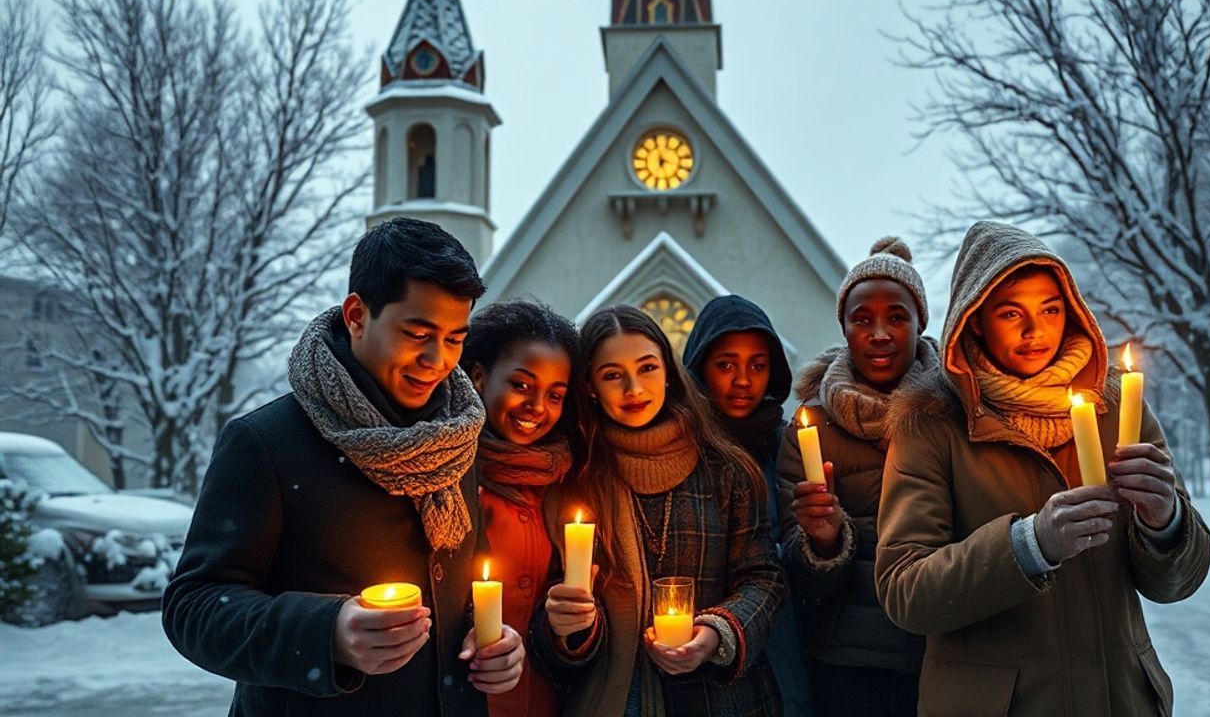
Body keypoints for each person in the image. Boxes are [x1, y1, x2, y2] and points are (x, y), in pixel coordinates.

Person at [163, 218, 525, 716]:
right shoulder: (266, 442)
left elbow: (466, 582)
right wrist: (327, 633)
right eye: (417, 333)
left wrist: (495, 641)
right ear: (357, 315)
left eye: (454, 339)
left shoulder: (457, 440)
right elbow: (193, 608)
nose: (437, 360)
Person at [875, 221, 1210, 716]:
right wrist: (1030, 545)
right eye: (1012, 313)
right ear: (975, 320)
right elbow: (906, 591)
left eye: (1050, 309)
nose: (1036, 331)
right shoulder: (930, 425)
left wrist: (1166, 522)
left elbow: (1177, 583)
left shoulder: (1119, 409)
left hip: (1119, 700)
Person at [530, 305, 786, 717]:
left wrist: (717, 633)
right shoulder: (574, 481)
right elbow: (554, 624)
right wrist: (564, 628)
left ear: (668, 371)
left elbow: (764, 578)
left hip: (722, 701)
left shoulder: (725, 469)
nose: (633, 388)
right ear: (591, 387)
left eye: (647, 368)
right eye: (612, 375)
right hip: (616, 699)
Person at [776, 238, 932, 716]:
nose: (879, 332)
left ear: (919, 323)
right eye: (862, 318)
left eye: (897, 317)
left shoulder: (955, 416)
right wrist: (823, 543)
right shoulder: (812, 429)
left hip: (942, 654)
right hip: (847, 669)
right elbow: (798, 582)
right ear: (844, 328)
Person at [681, 294, 814, 717]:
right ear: (700, 367)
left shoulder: (787, 446)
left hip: (780, 636)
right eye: (726, 365)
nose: (742, 380)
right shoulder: (680, 449)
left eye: (757, 365)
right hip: (694, 643)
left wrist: (823, 539)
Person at [460, 298, 581, 717]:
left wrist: (574, 629)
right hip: (464, 698)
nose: (537, 406)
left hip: (543, 700)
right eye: (522, 385)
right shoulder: (447, 475)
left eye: (555, 394)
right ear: (479, 377)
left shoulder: (567, 483)